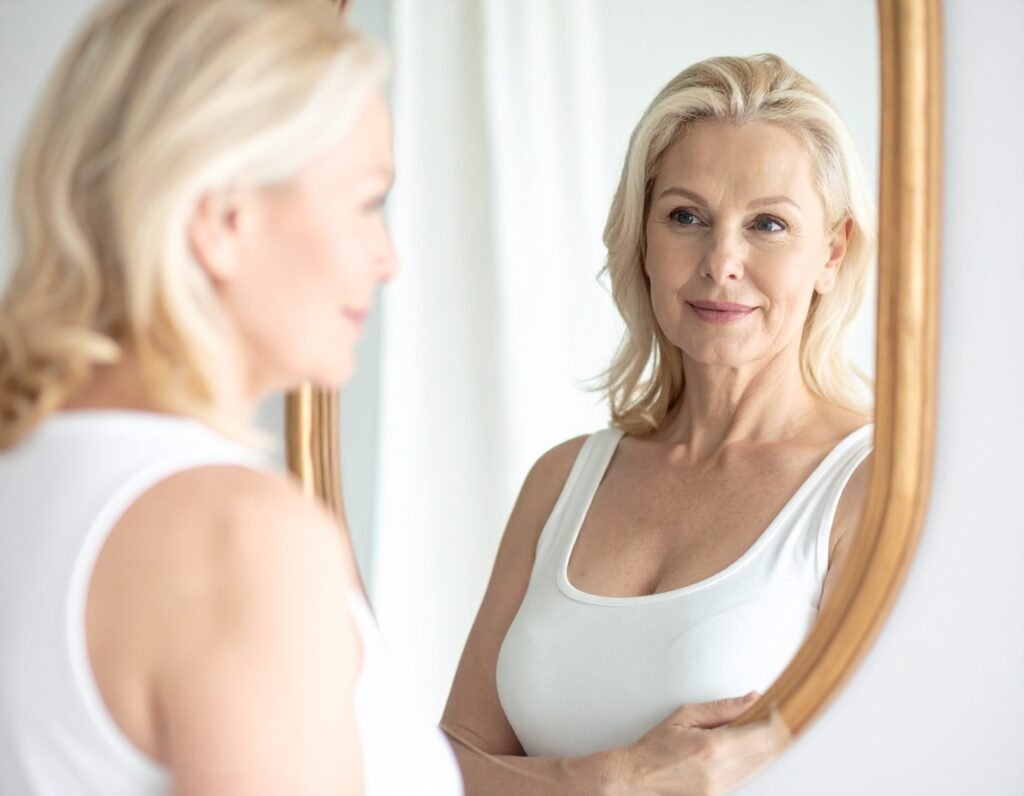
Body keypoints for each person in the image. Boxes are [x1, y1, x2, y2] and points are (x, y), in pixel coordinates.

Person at [0, 0, 464, 793]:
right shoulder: (242, 538)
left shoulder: (28, 468)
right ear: (222, 220)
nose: (387, 258)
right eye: (366, 203)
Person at [443, 53, 874, 795]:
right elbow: (444, 764)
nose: (722, 261)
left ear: (830, 254)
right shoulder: (563, 479)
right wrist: (602, 780)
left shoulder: (869, 490)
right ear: (642, 240)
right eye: (686, 217)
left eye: (768, 224)